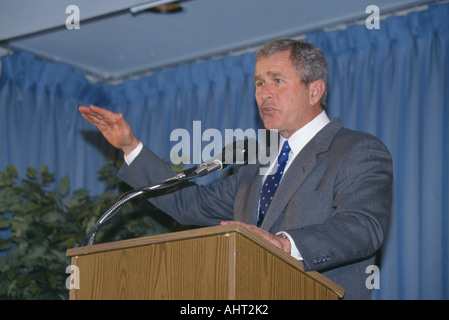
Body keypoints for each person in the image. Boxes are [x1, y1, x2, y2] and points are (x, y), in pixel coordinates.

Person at [79, 38, 393, 299]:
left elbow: (362, 228)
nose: (264, 93)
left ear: (314, 91)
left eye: (277, 80)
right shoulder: (254, 164)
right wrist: (130, 146)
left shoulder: (356, 150)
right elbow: (189, 205)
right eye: (259, 82)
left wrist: (284, 244)